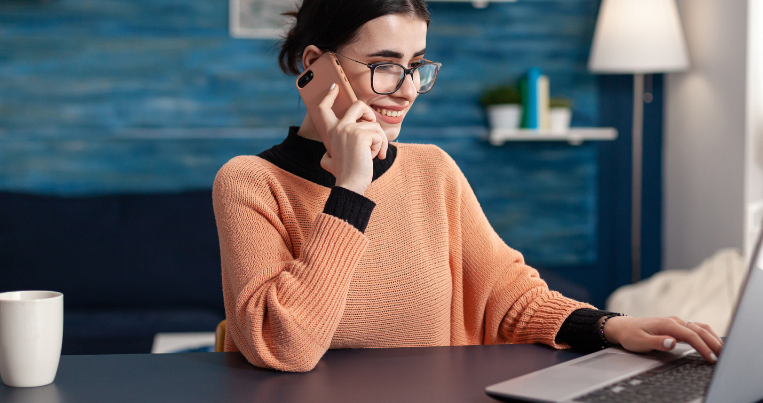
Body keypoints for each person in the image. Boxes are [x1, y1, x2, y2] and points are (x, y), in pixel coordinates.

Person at [212, 0, 723, 372]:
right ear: (316, 64)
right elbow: (285, 346)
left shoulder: (432, 170)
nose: (407, 89)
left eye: (415, 67)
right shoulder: (250, 183)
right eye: (385, 66)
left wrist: (610, 327)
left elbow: (507, 293)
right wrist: (350, 187)